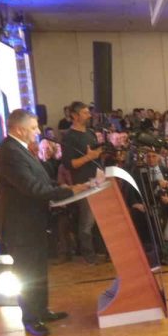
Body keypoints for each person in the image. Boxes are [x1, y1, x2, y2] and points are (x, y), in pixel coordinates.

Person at [0, 109, 87, 336]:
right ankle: (31, 319)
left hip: (33, 223)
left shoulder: (20, 149)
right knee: (27, 274)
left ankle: (42, 311)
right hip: (21, 226)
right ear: (19, 129)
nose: (37, 132)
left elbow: (41, 181)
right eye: (34, 128)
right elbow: (32, 188)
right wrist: (68, 191)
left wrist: (63, 187)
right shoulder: (9, 153)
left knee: (38, 270)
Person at [61, 101, 103, 264]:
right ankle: (88, 255)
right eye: (85, 113)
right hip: (84, 183)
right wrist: (89, 157)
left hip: (98, 179)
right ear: (75, 116)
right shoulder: (69, 137)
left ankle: (101, 251)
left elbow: (95, 155)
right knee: (87, 221)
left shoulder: (90, 132)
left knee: (100, 219)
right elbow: (69, 164)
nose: (89, 115)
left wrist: (101, 153)